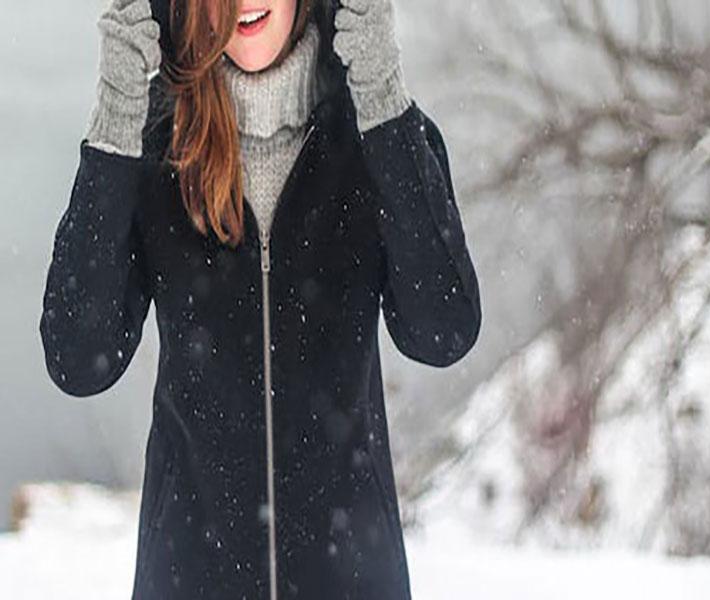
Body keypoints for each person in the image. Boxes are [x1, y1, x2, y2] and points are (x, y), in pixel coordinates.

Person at [38, 0, 482, 597]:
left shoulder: (376, 134)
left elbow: (443, 331)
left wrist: (380, 87)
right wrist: (119, 104)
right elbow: (78, 357)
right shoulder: (156, 150)